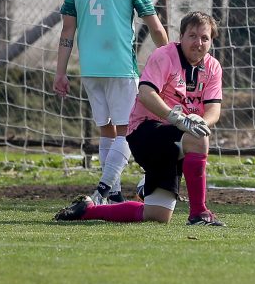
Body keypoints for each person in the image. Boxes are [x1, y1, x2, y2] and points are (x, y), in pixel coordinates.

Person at [54, 11, 225, 226]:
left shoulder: (212, 67)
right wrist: (177, 118)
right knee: (198, 139)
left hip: (174, 138)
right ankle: (199, 213)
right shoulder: (164, 55)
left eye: (204, 38)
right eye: (192, 35)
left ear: (211, 41)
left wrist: (202, 122)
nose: (198, 42)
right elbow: (145, 93)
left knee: (157, 215)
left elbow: (214, 110)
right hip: (145, 131)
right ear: (181, 36)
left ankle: (87, 210)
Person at [54, 0, 169, 205]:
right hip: (120, 67)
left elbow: (67, 31)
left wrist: (60, 72)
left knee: (107, 129)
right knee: (128, 129)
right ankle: (105, 189)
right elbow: (153, 25)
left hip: (90, 69)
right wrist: (169, 57)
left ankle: (114, 196)